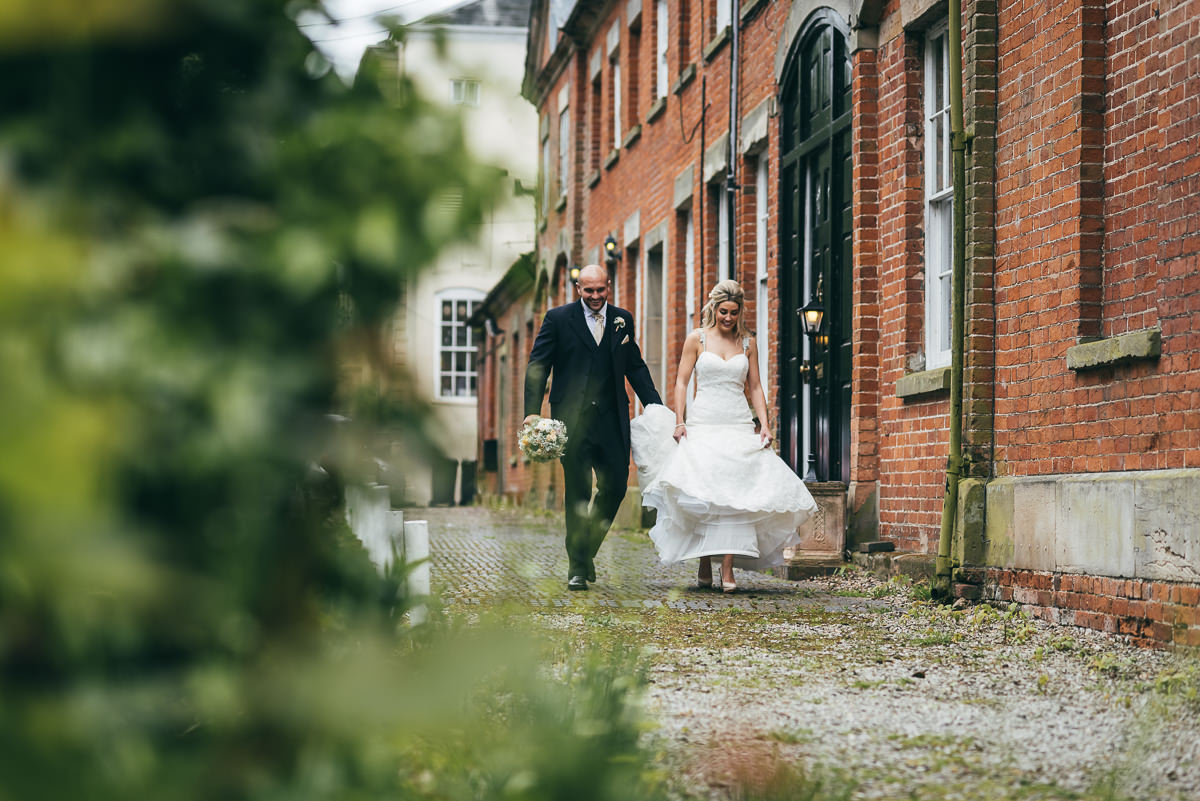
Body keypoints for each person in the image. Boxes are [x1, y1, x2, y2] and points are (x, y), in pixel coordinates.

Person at [630, 280, 816, 592]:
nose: (727, 318)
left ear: (740, 312)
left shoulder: (748, 343)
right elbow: (681, 382)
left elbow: (754, 386)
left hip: (738, 423)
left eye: (733, 312)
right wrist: (680, 421)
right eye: (722, 312)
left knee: (735, 495)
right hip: (704, 421)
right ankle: (704, 561)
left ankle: (727, 568)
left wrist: (765, 424)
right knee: (704, 492)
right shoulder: (697, 339)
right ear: (713, 309)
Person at [524, 264, 662, 591]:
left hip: (612, 420)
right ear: (578, 289)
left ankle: (585, 552)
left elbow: (635, 367)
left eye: (601, 290)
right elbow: (537, 366)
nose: (596, 296)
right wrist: (532, 412)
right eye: (589, 291)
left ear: (608, 286)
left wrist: (656, 408)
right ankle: (577, 568)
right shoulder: (558, 320)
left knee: (614, 489)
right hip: (571, 423)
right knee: (578, 492)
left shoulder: (622, 319)